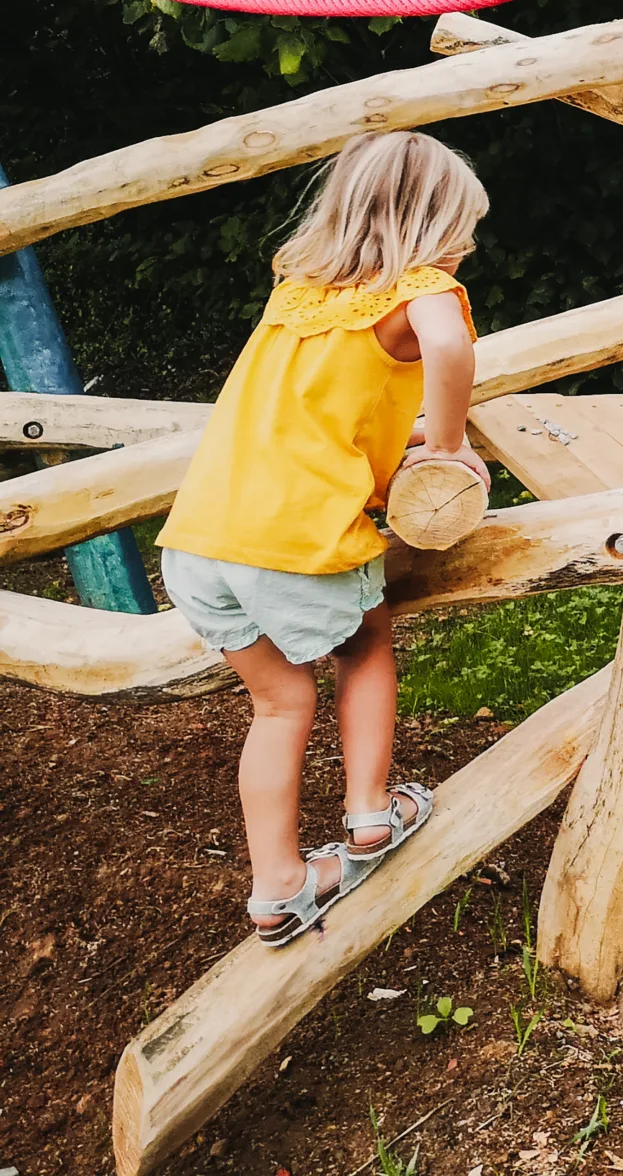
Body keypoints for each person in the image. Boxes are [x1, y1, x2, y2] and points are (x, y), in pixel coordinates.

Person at [158, 130, 491, 945]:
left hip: (197, 542)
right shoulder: (421, 292)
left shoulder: (298, 287)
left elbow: (317, 410)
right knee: (365, 647)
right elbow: (447, 347)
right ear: (436, 227)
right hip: (290, 540)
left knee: (279, 702)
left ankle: (277, 886)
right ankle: (370, 817)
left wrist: (395, 443)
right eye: (465, 229)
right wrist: (446, 448)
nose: (470, 248)